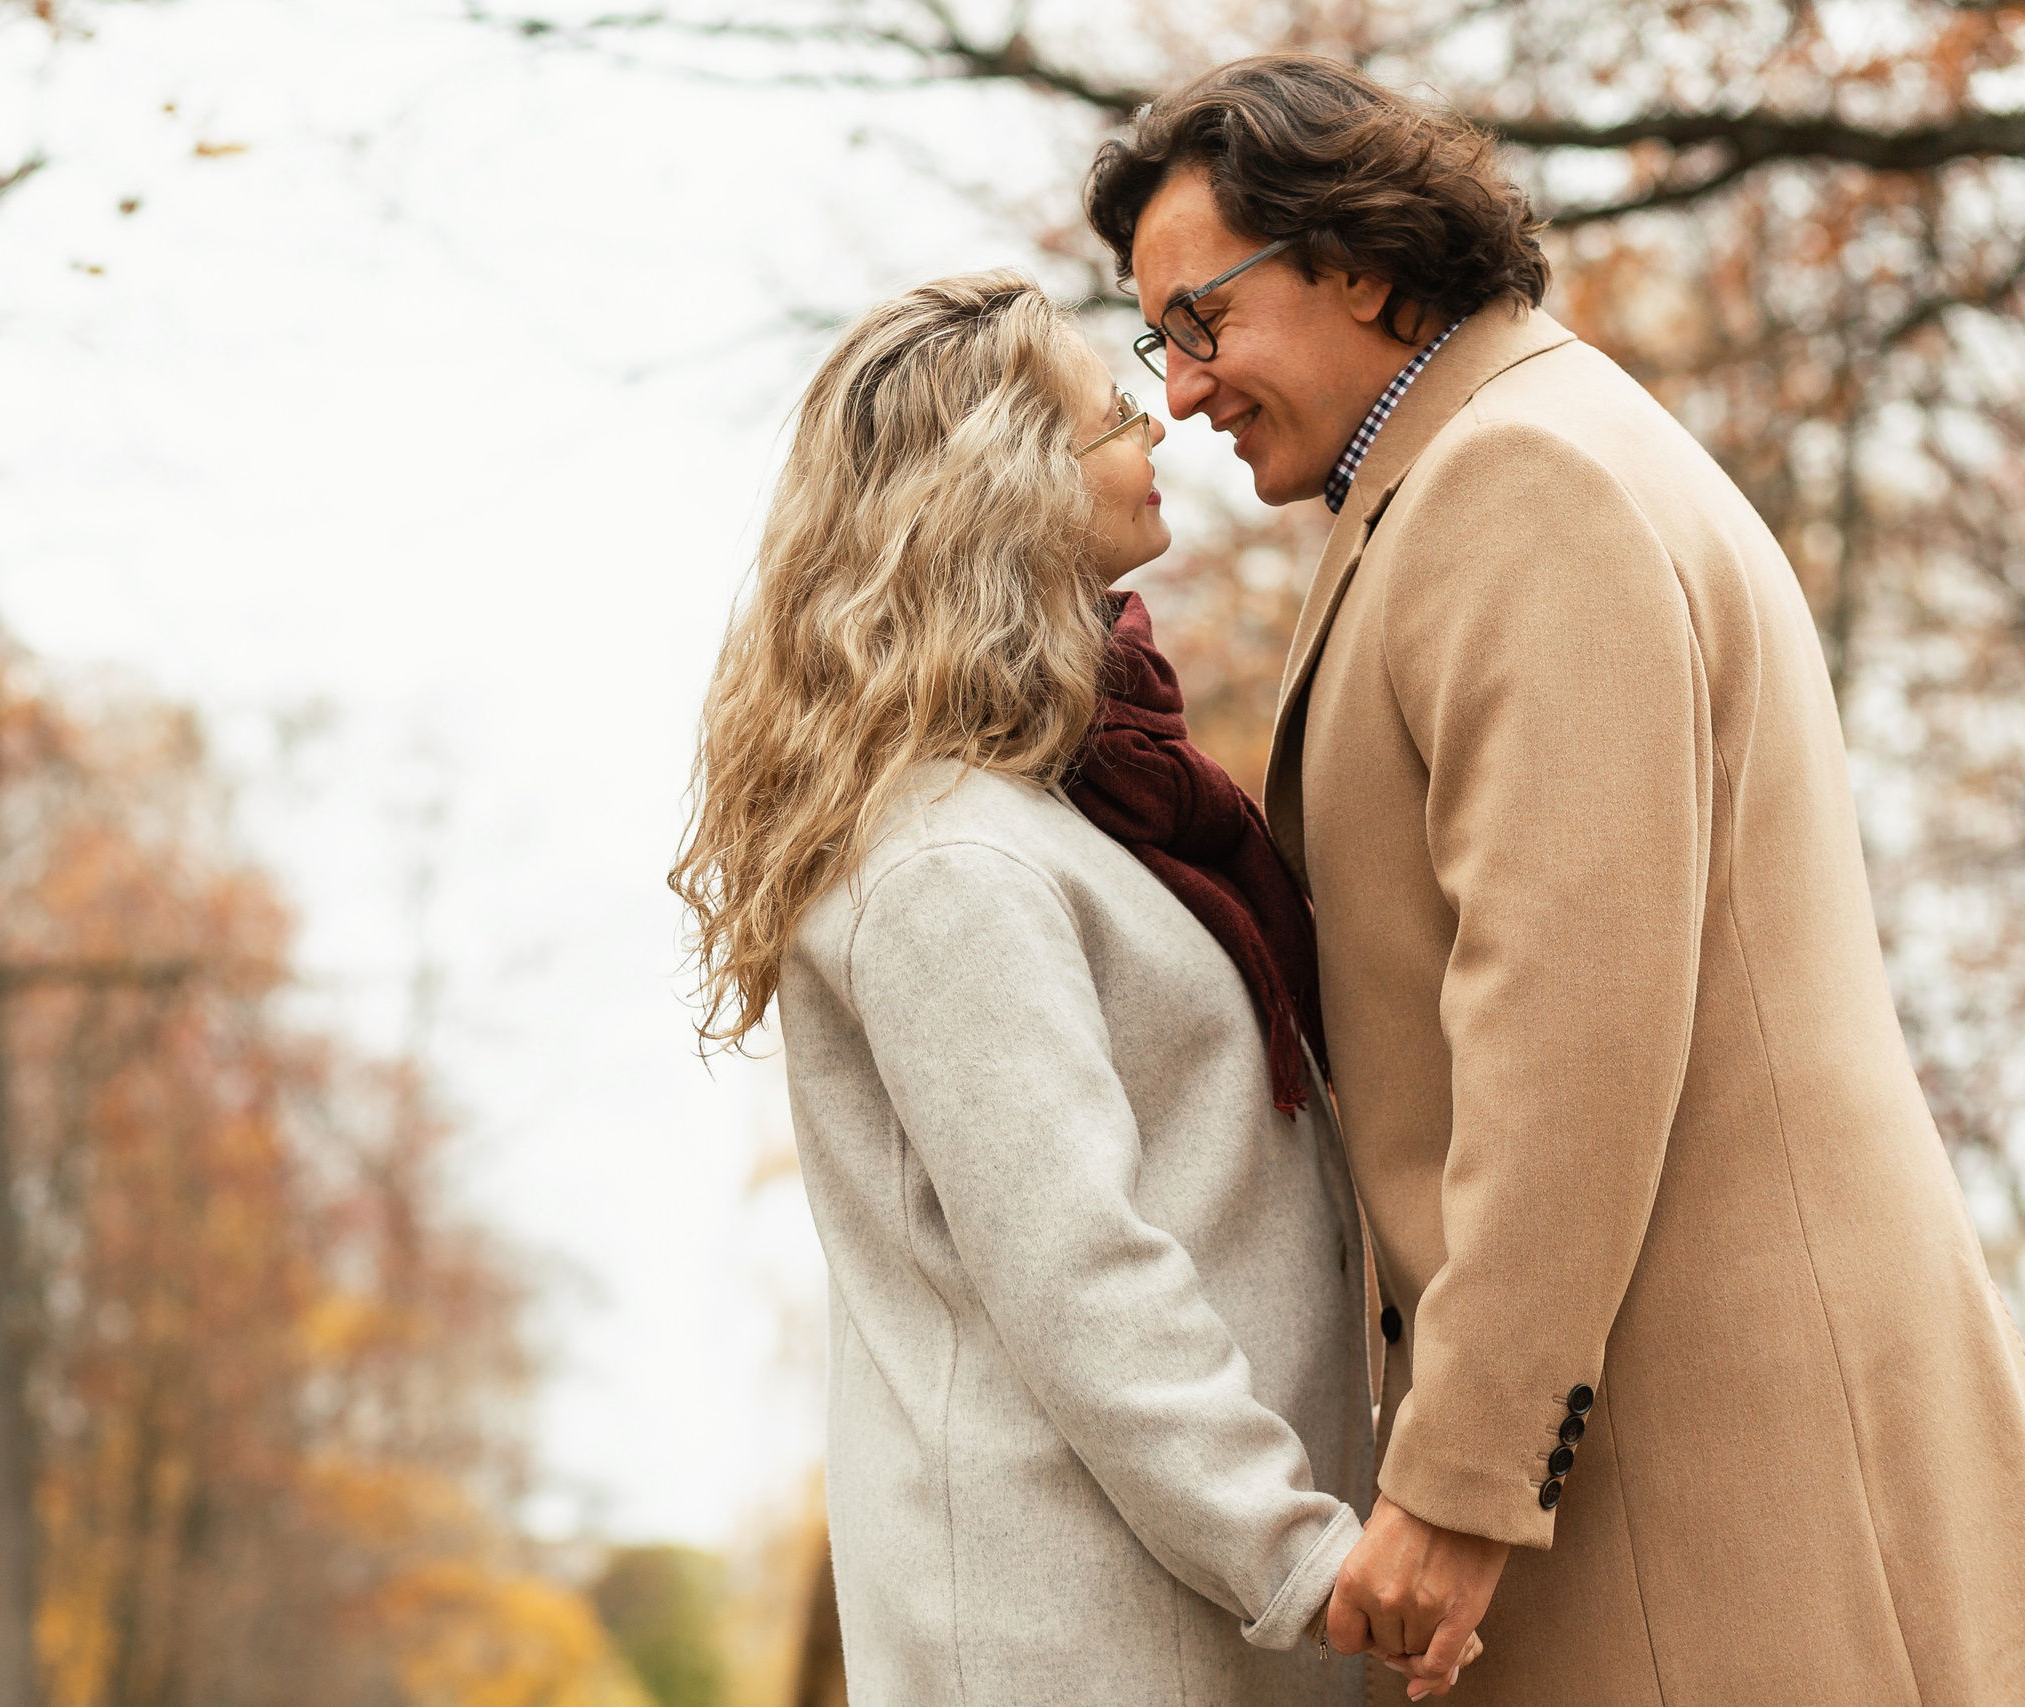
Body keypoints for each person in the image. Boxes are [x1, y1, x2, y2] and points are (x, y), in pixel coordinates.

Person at [1084, 54, 2025, 1704]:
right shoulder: (1498, 460)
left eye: (1202, 320)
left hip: (1709, 1481)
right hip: (1698, 1458)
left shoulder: (1523, 485)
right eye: (1157, 340)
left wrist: (1459, 1476)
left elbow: (1565, 1025)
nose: (1177, 389)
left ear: (1359, 262)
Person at [670, 270, 1471, 1703]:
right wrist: (1301, 1557)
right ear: (1006, 483)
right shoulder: (947, 865)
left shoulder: (1074, 820)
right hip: (1086, 1639)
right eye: (1111, 411)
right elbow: (1074, 1270)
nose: (1160, 422)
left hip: (1185, 1610)